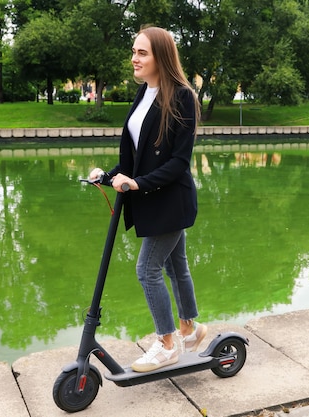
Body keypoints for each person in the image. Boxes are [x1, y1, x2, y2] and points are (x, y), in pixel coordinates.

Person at [89, 26, 207, 373]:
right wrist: (109, 175)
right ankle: (190, 328)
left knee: (147, 269)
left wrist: (138, 184)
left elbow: (177, 163)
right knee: (175, 266)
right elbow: (135, 157)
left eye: (142, 53)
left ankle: (167, 342)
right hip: (152, 197)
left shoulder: (182, 96)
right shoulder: (143, 94)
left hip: (171, 200)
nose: (134, 58)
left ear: (161, 57)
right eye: (134, 51)